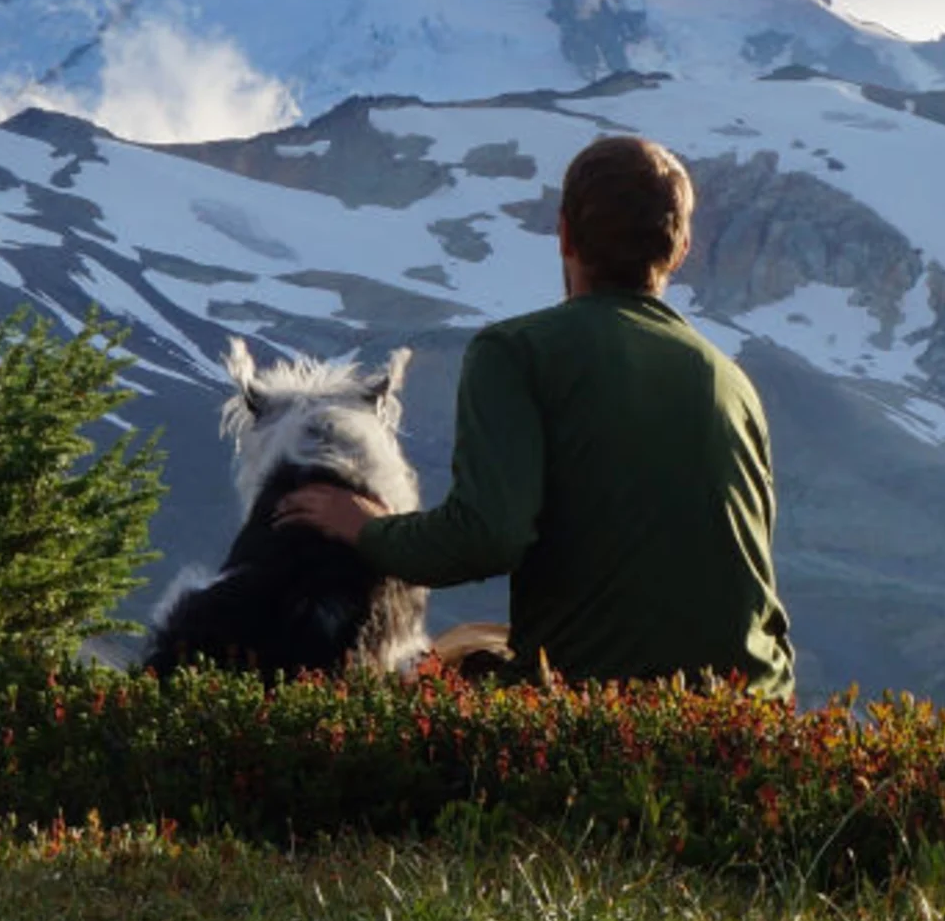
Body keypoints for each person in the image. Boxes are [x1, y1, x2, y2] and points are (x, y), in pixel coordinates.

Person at [273, 135, 796, 699]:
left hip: (595, 707)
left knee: (417, 684)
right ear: (683, 247)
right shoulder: (732, 382)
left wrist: (367, 528)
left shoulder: (516, 353)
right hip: (757, 706)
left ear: (565, 233)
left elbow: (486, 538)